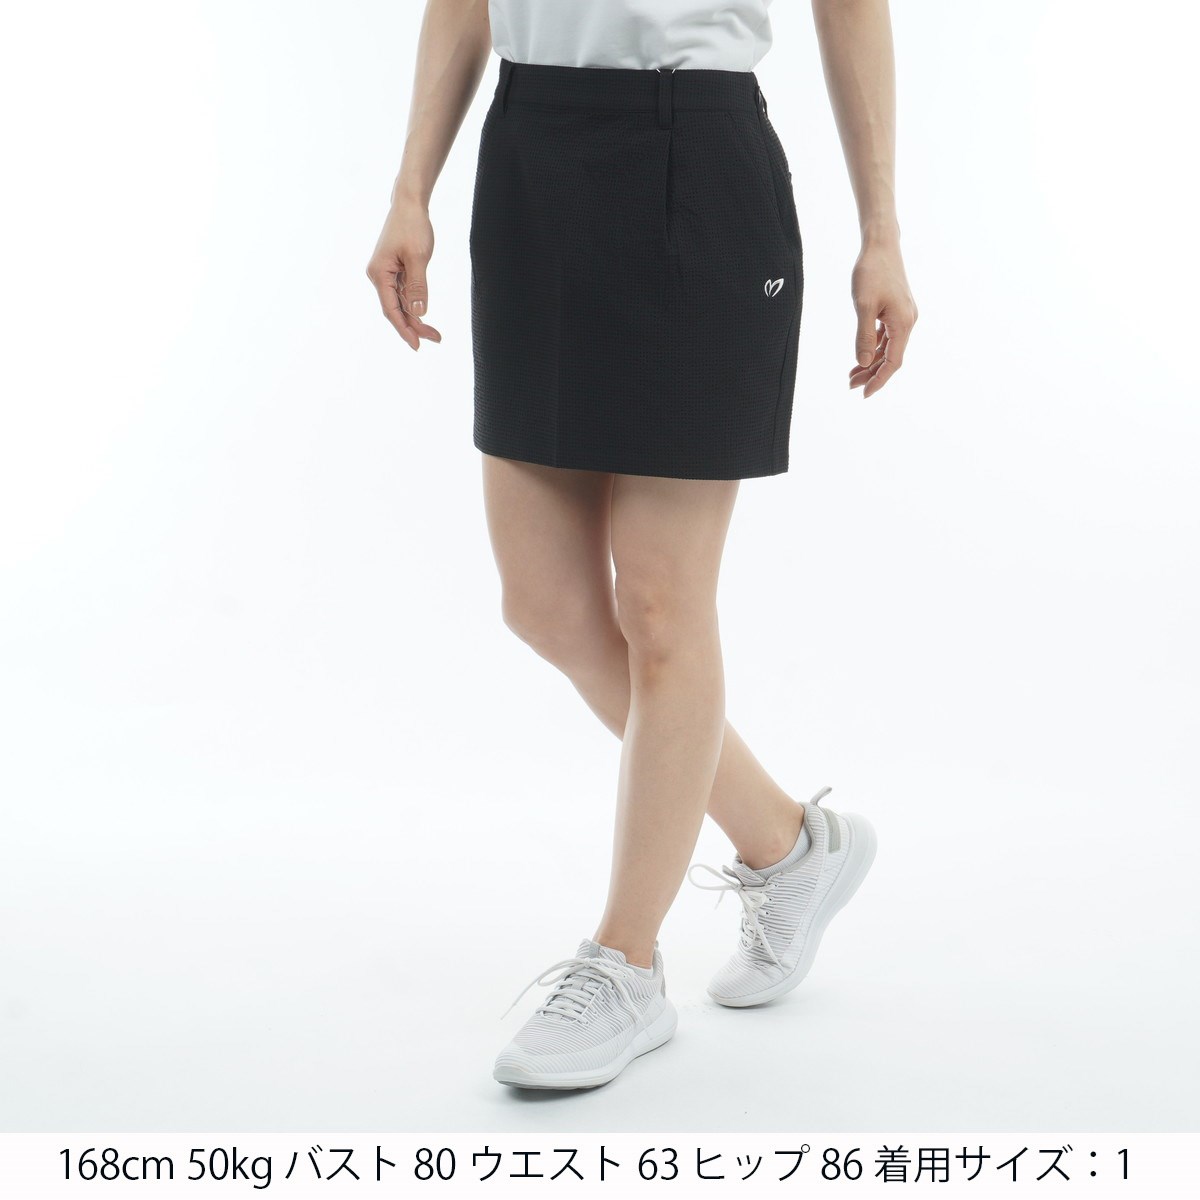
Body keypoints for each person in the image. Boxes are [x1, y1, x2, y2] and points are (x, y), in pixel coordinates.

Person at [366, 0, 917, 1090]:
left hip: (695, 156)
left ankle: (625, 966)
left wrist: (883, 234)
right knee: (545, 605)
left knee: (661, 604)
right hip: (530, 159)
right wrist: (409, 189)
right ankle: (789, 847)